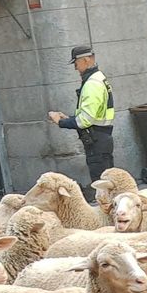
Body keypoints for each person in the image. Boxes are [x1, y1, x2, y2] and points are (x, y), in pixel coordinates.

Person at [49, 46, 115, 203]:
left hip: (96, 140)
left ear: (86, 59)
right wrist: (69, 117)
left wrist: (61, 121)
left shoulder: (92, 83)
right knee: (106, 183)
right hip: (101, 137)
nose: (75, 67)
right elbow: (88, 115)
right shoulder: (98, 78)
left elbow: (85, 120)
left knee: (102, 189)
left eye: (76, 63)